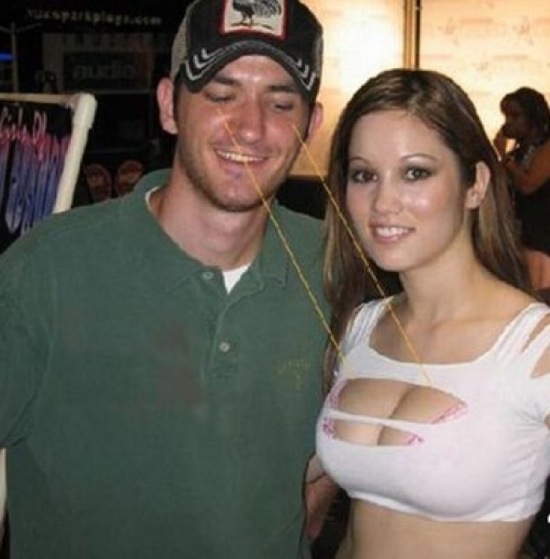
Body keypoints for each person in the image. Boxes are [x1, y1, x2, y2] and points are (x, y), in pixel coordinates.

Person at [0, 0, 332, 557]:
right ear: (168, 106)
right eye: (221, 95)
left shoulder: (334, 265)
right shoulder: (48, 271)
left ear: (310, 125)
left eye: (280, 103)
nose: (251, 128)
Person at [314, 68, 550, 559]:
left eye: (415, 172)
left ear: (475, 185)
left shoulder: (534, 348)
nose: (383, 202)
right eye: (364, 175)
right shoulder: (361, 326)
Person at [494, 87, 550, 296]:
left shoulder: (546, 147)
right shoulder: (519, 152)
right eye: (506, 116)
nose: (508, 122)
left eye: (515, 116)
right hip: (521, 235)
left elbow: (529, 185)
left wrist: (504, 158)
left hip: (542, 238)